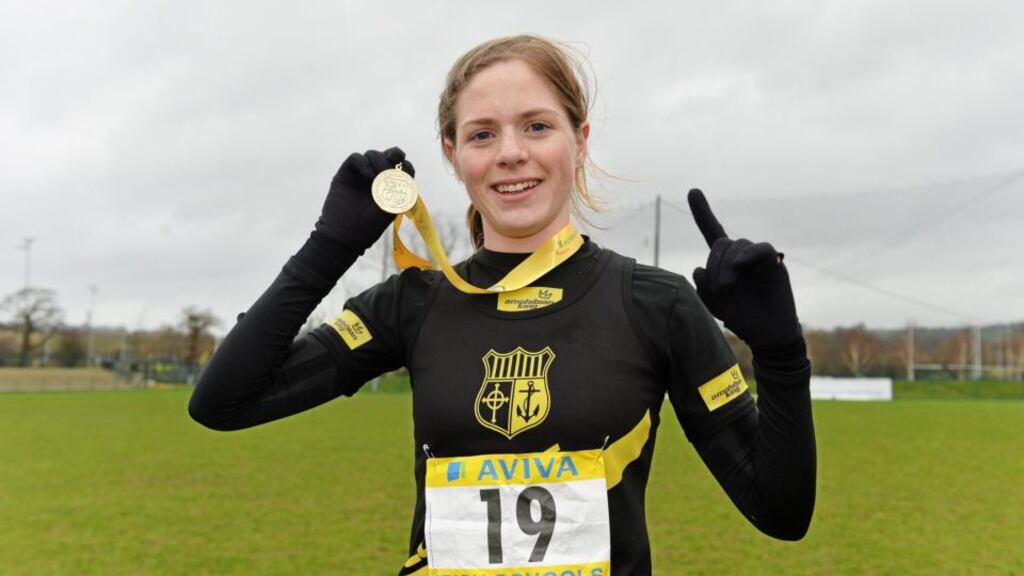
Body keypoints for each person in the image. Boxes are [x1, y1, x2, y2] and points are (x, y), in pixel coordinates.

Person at [189, 34, 815, 575]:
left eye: (537, 126)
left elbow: (780, 511)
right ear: (452, 154)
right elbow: (223, 402)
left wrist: (781, 354)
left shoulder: (655, 303)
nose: (511, 152)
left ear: (581, 139)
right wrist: (330, 248)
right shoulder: (416, 302)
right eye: (482, 134)